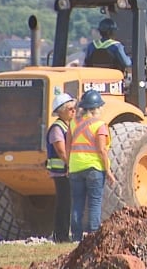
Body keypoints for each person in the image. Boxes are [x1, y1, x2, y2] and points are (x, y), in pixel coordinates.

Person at [68, 89, 116, 241]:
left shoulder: (73, 124)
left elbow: (68, 146)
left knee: (77, 203)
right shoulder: (100, 125)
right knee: (94, 203)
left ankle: (76, 237)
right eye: (101, 106)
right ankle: (93, 236)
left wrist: (69, 166)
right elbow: (102, 150)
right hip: (94, 169)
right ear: (96, 108)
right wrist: (108, 171)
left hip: (75, 168)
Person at [47, 92, 75, 243]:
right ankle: (61, 235)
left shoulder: (67, 126)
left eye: (73, 108)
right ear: (61, 111)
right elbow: (61, 151)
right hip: (61, 173)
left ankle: (63, 234)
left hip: (65, 172)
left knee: (67, 203)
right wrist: (71, 166)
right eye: (70, 108)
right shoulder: (57, 128)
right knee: (63, 203)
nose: (73, 111)